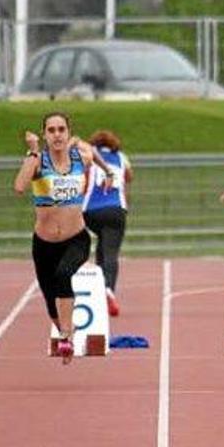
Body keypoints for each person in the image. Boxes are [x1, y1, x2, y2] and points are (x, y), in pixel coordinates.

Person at [13, 112, 114, 364]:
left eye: (61, 129)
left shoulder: (81, 157)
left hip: (76, 238)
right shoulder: (38, 161)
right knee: (50, 300)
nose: (57, 134)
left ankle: (67, 337)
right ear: (45, 134)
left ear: (68, 132)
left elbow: (92, 151)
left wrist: (108, 171)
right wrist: (33, 151)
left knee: (63, 275)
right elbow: (19, 186)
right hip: (44, 243)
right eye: (51, 130)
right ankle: (65, 331)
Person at [83, 130, 133, 317]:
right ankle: (108, 289)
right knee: (111, 252)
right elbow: (129, 177)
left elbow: (84, 177)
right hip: (115, 209)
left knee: (100, 248)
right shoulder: (121, 157)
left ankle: (96, 288)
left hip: (90, 210)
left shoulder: (89, 154)